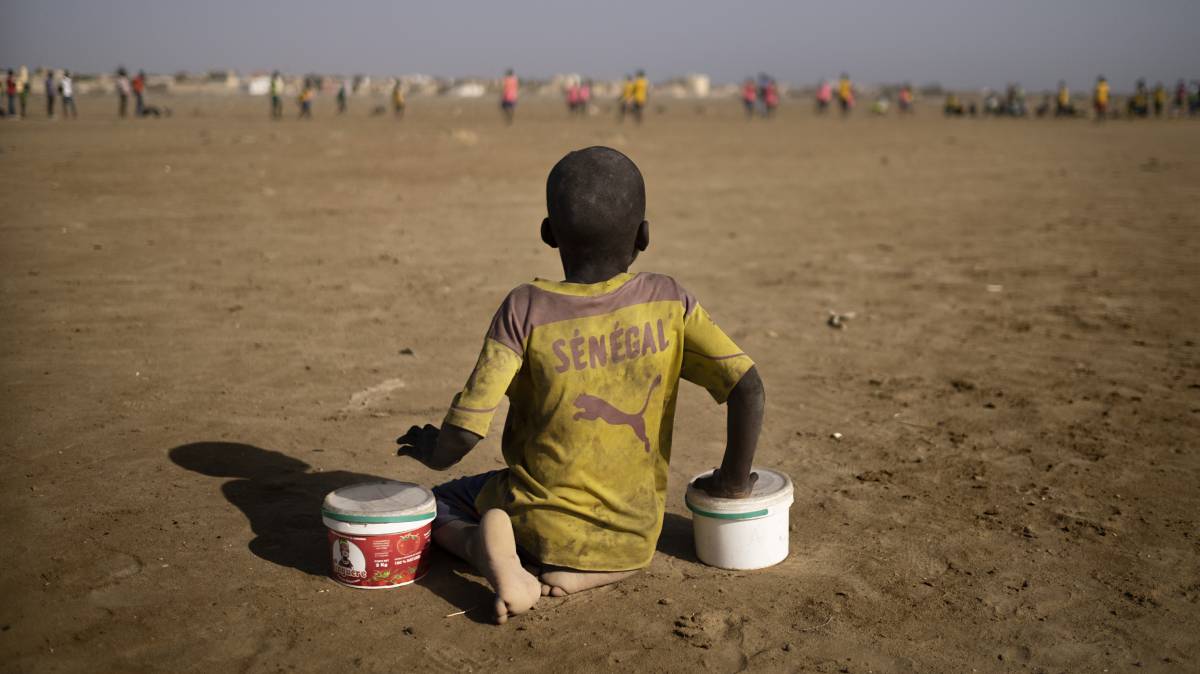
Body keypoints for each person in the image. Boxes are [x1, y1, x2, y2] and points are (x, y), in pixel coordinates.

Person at [396, 146, 764, 625]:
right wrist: (731, 483)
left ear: (548, 234)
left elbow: (466, 432)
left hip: (537, 523)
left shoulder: (525, 308)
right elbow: (748, 388)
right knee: (627, 545)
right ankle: (587, 574)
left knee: (441, 501)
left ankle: (489, 554)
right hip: (633, 537)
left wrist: (434, 452)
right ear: (644, 236)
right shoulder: (670, 301)